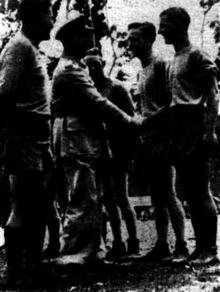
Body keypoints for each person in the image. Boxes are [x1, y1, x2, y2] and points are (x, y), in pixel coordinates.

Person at [51, 13, 144, 267]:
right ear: (71, 39)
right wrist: (130, 121)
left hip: (83, 140)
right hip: (77, 140)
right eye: (84, 34)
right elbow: (98, 103)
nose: (89, 38)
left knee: (91, 198)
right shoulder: (70, 70)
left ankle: (89, 252)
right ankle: (75, 255)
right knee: (82, 199)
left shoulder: (76, 66)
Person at [158, 7, 219, 265]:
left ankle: (211, 250)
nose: (161, 30)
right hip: (178, 126)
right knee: (189, 192)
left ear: (180, 25)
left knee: (201, 190)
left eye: (165, 25)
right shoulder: (173, 60)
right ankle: (200, 248)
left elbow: (213, 95)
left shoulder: (197, 55)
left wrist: (209, 131)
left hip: (195, 124)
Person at [0, 0, 54, 282]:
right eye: (49, 13)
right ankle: (15, 270)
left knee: (37, 205)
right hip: (22, 136)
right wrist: (24, 127)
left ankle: (33, 266)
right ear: (34, 16)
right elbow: (5, 95)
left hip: (35, 137)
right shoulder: (18, 47)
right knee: (22, 205)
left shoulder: (30, 49)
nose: (52, 19)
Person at [127, 21, 188, 263]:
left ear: (149, 40)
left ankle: (181, 245)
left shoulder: (162, 64)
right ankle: (162, 244)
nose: (130, 44)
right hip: (148, 139)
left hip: (163, 137)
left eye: (135, 39)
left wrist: (150, 121)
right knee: (155, 195)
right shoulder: (143, 69)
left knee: (168, 192)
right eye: (129, 39)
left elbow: (172, 101)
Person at [84, 51, 140, 260]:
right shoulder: (90, 90)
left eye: (95, 65)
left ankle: (133, 241)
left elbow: (132, 119)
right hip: (100, 151)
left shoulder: (116, 88)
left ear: (103, 64)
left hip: (118, 150)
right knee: (107, 199)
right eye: (88, 66)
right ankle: (117, 243)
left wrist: (128, 149)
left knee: (120, 197)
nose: (92, 69)